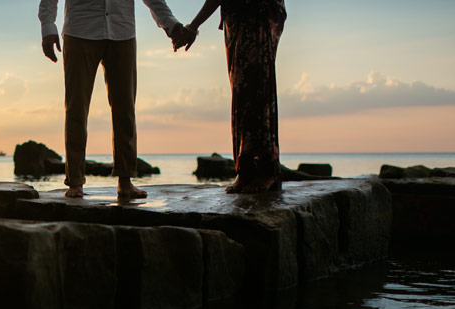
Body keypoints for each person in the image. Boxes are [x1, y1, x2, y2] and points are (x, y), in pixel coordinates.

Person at [39, 0, 186, 199]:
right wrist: (48, 27)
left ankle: (125, 181)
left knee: (125, 108)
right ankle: (75, 181)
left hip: (122, 31)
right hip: (80, 31)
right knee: (76, 109)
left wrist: (171, 24)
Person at [173, 0, 286, 193]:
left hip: (259, 13)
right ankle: (246, 168)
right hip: (237, 16)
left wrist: (193, 27)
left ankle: (266, 170)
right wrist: (192, 27)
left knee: (258, 85)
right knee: (242, 88)